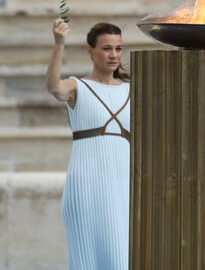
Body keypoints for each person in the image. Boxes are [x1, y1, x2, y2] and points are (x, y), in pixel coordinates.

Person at [46, 18, 130, 270]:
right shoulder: (77, 87)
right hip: (86, 187)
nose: (113, 55)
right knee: (86, 261)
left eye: (118, 48)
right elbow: (53, 87)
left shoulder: (131, 91)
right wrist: (59, 44)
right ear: (90, 51)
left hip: (122, 185)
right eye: (106, 48)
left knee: (121, 260)